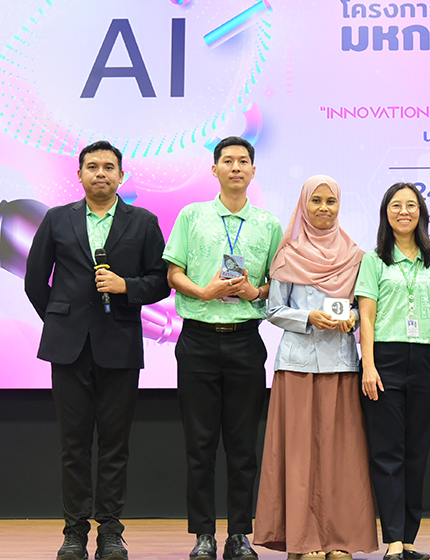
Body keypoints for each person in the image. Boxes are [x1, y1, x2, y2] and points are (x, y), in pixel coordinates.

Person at [25, 140, 170, 560]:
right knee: (73, 445)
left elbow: (161, 280)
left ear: (121, 175)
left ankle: (110, 532)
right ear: (80, 174)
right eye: (92, 167)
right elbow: (35, 281)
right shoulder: (57, 219)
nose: (100, 173)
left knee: (114, 445)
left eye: (109, 167)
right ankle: (73, 533)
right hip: (68, 349)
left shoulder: (143, 222)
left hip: (119, 345)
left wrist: (127, 287)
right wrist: (61, 320)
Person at [163, 137, 283, 560]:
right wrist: (204, 291)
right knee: (199, 445)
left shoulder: (268, 224)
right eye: (227, 161)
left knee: (242, 445)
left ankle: (239, 534)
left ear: (253, 171)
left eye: (243, 161)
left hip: (245, 341)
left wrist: (255, 291)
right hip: (197, 339)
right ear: (213, 169)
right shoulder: (192, 215)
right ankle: (202, 534)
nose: (235, 167)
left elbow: (277, 285)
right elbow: (173, 273)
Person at [254, 175, 377, 560]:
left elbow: (362, 308)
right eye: (316, 201)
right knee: (299, 456)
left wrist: (351, 319)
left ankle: (339, 539)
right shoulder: (288, 253)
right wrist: (308, 316)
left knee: (341, 456)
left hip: (341, 364)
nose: (324, 208)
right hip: (297, 365)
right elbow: (273, 310)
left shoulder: (356, 256)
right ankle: (303, 541)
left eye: (331, 201)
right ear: (304, 205)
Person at [355, 182, 430, 560]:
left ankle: (409, 539)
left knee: (416, 452)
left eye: (411, 205)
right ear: (386, 213)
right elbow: (366, 316)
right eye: (396, 205)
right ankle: (393, 539)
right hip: (385, 359)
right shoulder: (374, 260)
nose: (404, 211)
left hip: (426, 361)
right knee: (387, 453)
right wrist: (368, 364)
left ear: (421, 213)